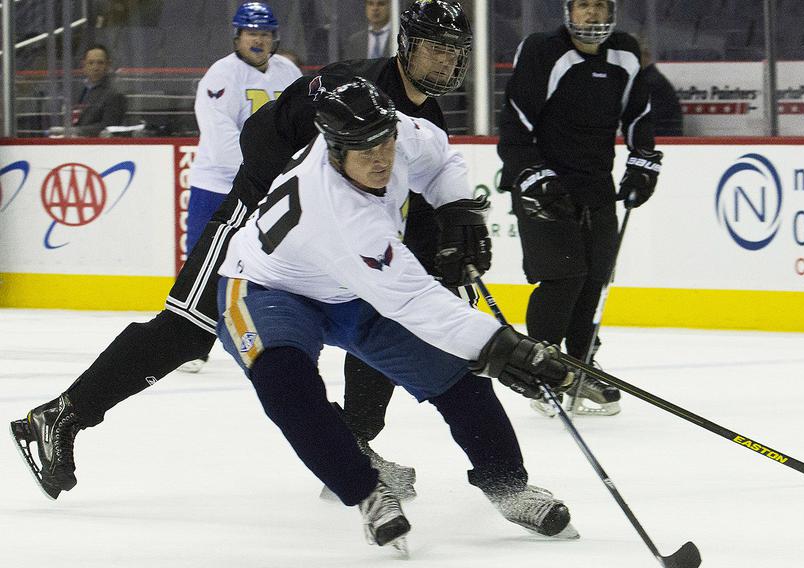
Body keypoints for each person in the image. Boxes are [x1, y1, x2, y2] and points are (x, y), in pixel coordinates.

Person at [8, 0, 471, 503]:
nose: (444, 61)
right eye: (434, 48)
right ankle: (59, 416)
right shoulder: (349, 82)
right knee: (187, 330)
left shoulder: (431, 119)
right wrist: (279, 201)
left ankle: (352, 445)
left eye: (453, 52)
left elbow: (412, 203)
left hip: (324, 247)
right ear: (407, 45)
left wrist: (447, 247)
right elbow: (261, 132)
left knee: (382, 321)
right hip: (255, 222)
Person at [217, 76, 578, 551]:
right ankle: (368, 493)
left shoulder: (398, 132)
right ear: (333, 150)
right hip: (267, 289)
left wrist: (457, 209)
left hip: (348, 289)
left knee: (454, 374)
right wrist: (505, 347)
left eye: (385, 142)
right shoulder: (340, 212)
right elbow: (413, 301)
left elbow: (443, 157)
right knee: (285, 383)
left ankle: (507, 485)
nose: (382, 158)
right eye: (364, 150)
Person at [497, 0, 663, 416]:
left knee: (594, 278)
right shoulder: (543, 51)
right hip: (542, 184)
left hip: (595, 185)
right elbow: (516, 121)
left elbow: (639, 115)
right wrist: (532, 175)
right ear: (569, 11)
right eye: (583, 5)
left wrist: (643, 164)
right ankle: (542, 369)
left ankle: (582, 364)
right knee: (563, 276)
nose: (591, 15)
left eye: (599, 6)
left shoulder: (625, 52)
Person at [179, 1, 301, 373]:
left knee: (273, 262)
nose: (259, 40)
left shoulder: (288, 72)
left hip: (272, 186)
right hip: (218, 186)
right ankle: (190, 342)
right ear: (238, 36)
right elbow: (220, 137)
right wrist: (267, 174)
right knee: (204, 263)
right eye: (252, 33)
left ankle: (276, 331)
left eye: (265, 34)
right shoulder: (221, 75)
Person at [70, 44, 127, 137]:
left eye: (100, 63)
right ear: (83, 65)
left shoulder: (115, 95)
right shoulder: (77, 90)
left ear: (108, 65)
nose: (95, 67)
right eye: (91, 63)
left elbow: (108, 127)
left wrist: (76, 131)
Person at [638, 36, 683, 137]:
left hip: (663, 138)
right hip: (663, 135)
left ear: (645, 56)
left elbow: (647, 118)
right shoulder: (650, 77)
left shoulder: (650, 81)